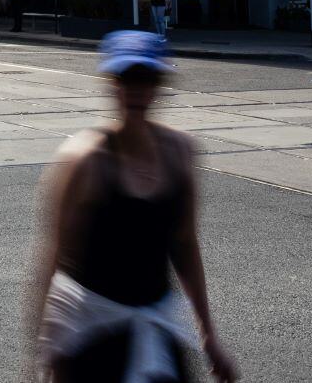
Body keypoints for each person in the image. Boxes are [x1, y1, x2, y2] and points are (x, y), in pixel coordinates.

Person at [28, 31, 238, 383]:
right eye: (128, 79)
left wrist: (208, 335)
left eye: (147, 79)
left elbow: (185, 244)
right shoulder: (84, 160)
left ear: (159, 85)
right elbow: (53, 257)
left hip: (156, 323)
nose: (137, 91)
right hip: (92, 331)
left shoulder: (180, 153)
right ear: (112, 84)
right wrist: (44, 348)